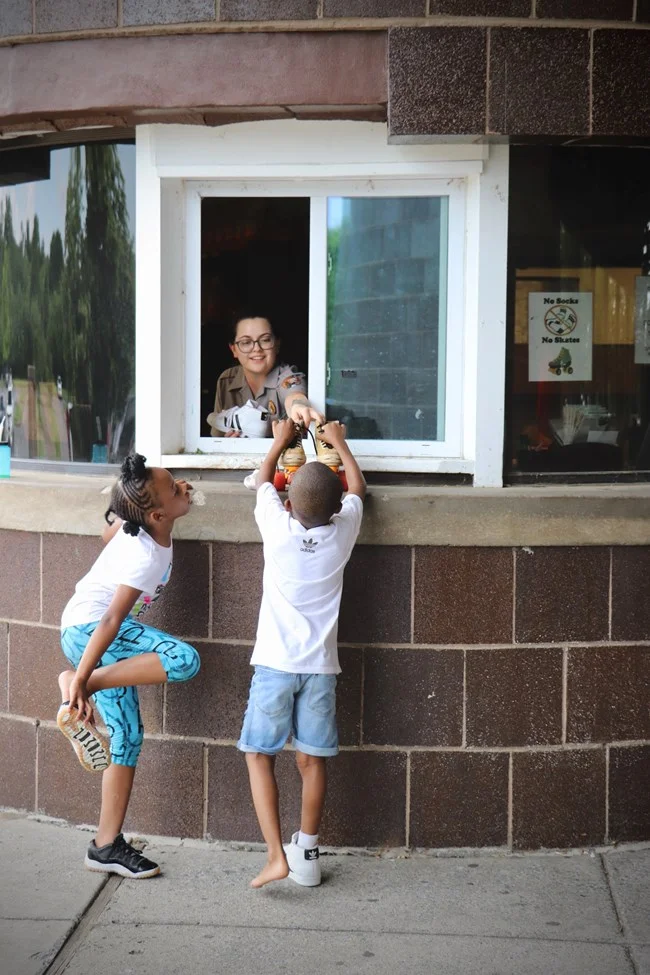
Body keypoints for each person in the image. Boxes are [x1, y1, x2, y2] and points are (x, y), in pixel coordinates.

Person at [56, 453, 201, 879]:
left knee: (128, 736)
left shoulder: (135, 524)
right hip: (92, 633)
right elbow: (110, 620)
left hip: (85, 633)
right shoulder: (143, 555)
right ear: (156, 514)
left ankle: (105, 846)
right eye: (175, 488)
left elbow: (110, 534)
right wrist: (85, 677)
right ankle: (77, 687)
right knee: (183, 659)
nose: (184, 487)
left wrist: (134, 515)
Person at [238, 418, 366, 889]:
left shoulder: (276, 527)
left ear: (289, 502)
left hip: (274, 665)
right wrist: (339, 443)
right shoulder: (342, 534)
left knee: (258, 754)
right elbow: (358, 487)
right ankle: (307, 853)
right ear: (336, 510)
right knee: (312, 761)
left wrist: (277, 442)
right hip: (319, 671)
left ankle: (276, 855)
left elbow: (260, 480)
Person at [207, 313, 323, 437]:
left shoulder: (286, 375)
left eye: (265, 340)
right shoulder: (227, 380)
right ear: (234, 350)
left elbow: (294, 395)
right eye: (246, 342)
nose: (257, 348)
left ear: (277, 344)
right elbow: (216, 434)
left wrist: (298, 406)